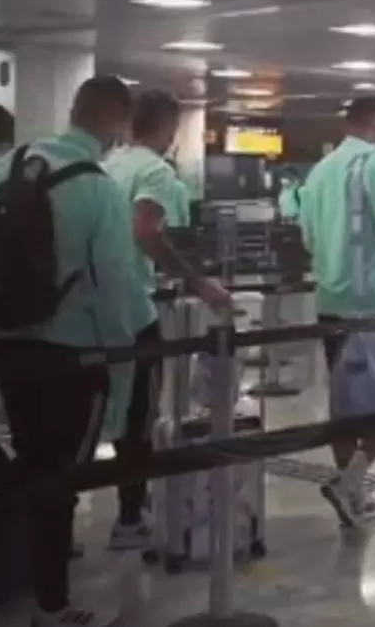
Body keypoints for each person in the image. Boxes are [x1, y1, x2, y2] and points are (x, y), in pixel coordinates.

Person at [0, 76, 141, 627]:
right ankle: (53, 605)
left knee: (25, 461)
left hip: (10, 342)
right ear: (117, 123)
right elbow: (112, 290)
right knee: (59, 479)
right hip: (72, 355)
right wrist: (122, 380)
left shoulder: (11, 165)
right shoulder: (97, 186)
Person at [102, 89, 232, 551]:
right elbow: (146, 231)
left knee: (102, 414)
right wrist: (200, 283)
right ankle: (130, 517)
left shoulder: (108, 164)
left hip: (93, 308)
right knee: (141, 415)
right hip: (134, 308)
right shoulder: (154, 170)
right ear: (166, 128)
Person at [300, 96, 375, 526]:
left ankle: (351, 488)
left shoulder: (320, 170)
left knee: (345, 400)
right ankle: (353, 480)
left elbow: (308, 236)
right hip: (373, 301)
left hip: (330, 299)